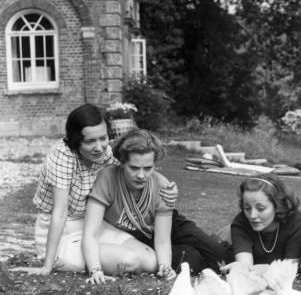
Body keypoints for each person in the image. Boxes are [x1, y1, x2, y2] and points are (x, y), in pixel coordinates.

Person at [12, 104, 177, 276]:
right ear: (76, 140)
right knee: (131, 260)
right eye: (90, 141)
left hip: (92, 223)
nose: (99, 147)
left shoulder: (103, 153)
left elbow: (135, 168)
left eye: (103, 138)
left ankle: (98, 254)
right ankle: (76, 259)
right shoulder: (63, 156)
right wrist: (47, 265)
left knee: (151, 261)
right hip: (62, 229)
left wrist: (167, 189)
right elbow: (59, 213)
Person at [82, 129, 230, 284]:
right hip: (139, 236)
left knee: (222, 256)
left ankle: (226, 239)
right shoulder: (107, 179)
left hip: (169, 224)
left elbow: (163, 239)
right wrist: (95, 269)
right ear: (122, 163)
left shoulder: (163, 186)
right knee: (192, 260)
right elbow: (91, 232)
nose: (141, 175)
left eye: (147, 168)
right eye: (134, 168)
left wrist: (165, 263)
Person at [230, 174, 301, 266]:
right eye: (247, 208)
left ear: (277, 206)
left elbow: (289, 270)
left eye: (261, 208)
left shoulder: (295, 221)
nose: (252, 215)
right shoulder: (240, 222)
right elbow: (245, 268)